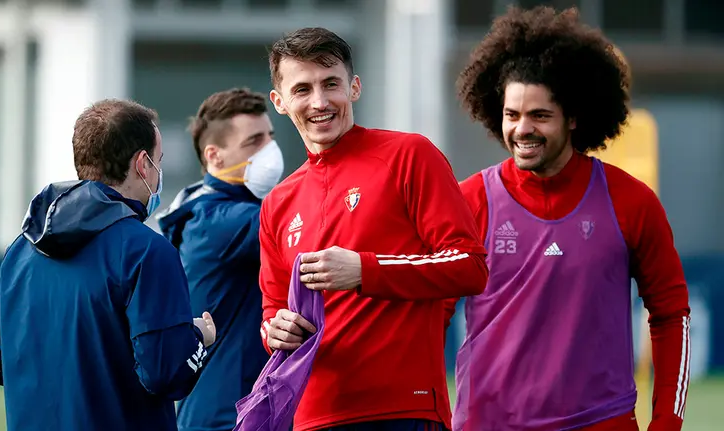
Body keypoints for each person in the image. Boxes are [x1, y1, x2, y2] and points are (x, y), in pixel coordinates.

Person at [453, 6, 691, 431]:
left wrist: (667, 423)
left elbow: (672, 315)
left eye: (540, 116)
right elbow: (422, 314)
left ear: (574, 118)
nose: (522, 129)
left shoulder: (631, 201)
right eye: (512, 115)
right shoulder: (469, 201)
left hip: (603, 422)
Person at [259, 27, 489, 431]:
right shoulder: (278, 203)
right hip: (312, 416)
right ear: (280, 102)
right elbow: (273, 310)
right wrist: (275, 330)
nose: (319, 101)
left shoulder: (409, 155)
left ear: (355, 87)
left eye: (331, 84)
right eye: (302, 89)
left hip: (403, 411)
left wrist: (367, 270)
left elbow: (470, 265)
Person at [0, 99, 218, 431]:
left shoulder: (21, 249)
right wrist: (199, 337)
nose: (158, 172)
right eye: (158, 161)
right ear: (142, 164)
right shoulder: (147, 250)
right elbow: (167, 374)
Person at [157, 88, 282, 431]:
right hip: (226, 416)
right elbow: (308, 221)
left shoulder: (209, 208)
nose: (270, 150)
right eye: (254, 141)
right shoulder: (222, 221)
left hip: (227, 410)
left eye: (270, 137)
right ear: (215, 156)